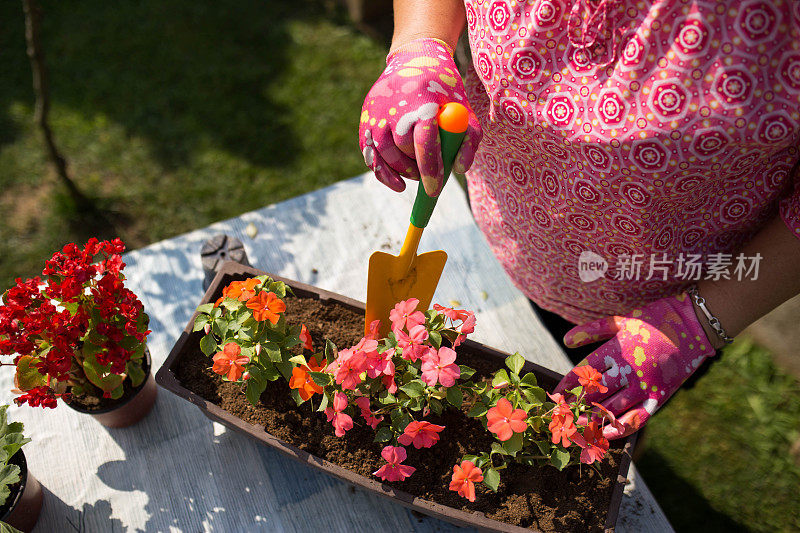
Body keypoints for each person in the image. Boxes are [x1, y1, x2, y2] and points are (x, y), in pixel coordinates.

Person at [359, 0, 800, 439]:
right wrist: (421, 43)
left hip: (659, 304)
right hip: (511, 226)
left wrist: (699, 322)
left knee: (600, 425)